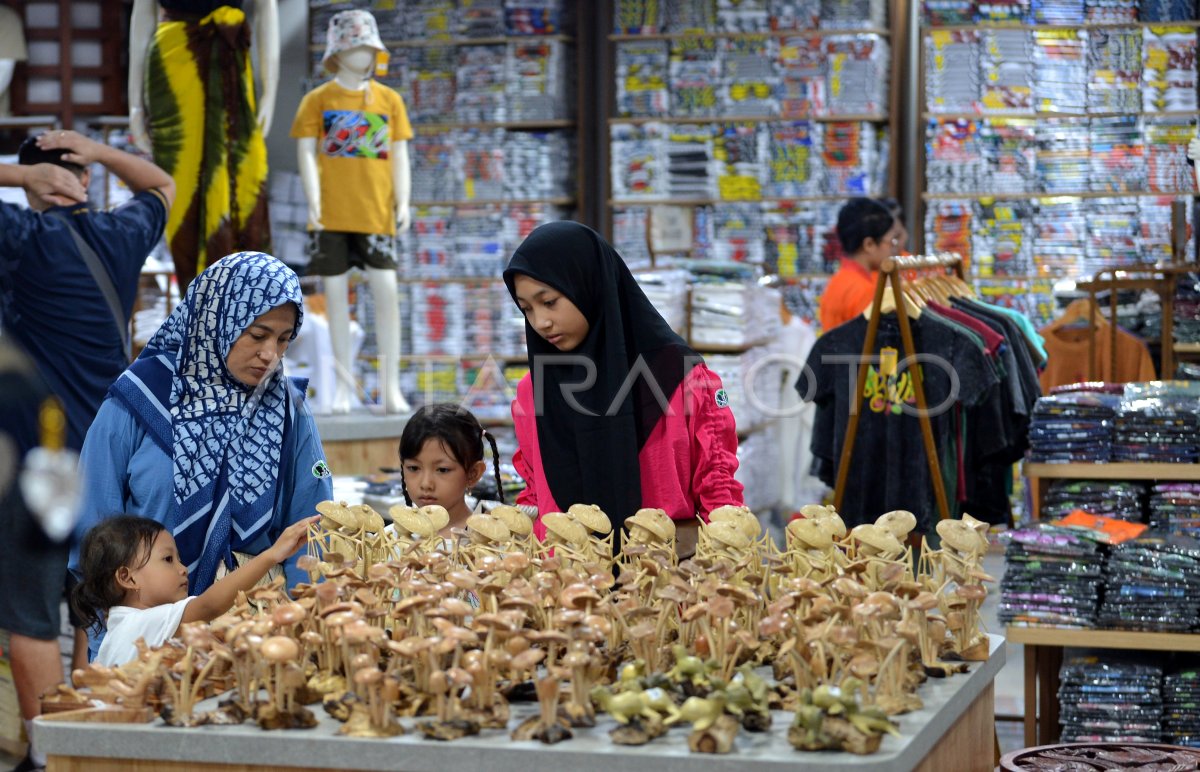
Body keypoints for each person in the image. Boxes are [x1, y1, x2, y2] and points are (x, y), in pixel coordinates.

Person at [0, 131, 172, 772]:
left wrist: (20, 181)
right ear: (84, 181)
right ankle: (90, 747)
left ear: (37, 182)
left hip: (41, 463)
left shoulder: (21, 238)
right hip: (110, 453)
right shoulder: (119, 235)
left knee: (31, 616)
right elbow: (161, 185)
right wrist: (99, 154)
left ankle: (52, 757)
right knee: (91, 605)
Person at [70, 252, 333, 646]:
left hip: (259, 624)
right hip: (152, 628)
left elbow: (312, 525)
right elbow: (92, 528)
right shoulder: (141, 398)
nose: (270, 355)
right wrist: (107, 637)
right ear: (216, 319)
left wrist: (302, 622)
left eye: (283, 339)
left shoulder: (287, 409)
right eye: (257, 335)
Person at [503, 221, 744, 555]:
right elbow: (534, 495)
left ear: (589, 285)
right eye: (526, 308)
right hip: (565, 589)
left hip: (663, 588)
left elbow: (720, 496)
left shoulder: (683, 380)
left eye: (550, 302)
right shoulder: (535, 390)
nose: (540, 322)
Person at [291, 8, 412, 414]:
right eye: (355, 46)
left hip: (377, 215)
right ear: (338, 52)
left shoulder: (389, 100)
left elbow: (400, 156)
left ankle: (391, 387)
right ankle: (342, 388)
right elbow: (305, 154)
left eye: (368, 47)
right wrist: (313, 200)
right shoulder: (318, 100)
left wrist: (404, 201)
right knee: (337, 303)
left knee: (388, 295)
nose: (363, 55)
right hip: (330, 217)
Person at [128, 0, 278, 288]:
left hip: (231, 59)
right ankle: (196, 302)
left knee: (245, 181)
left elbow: (267, 7)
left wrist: (270, 87)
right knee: (182, 190)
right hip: (174, 67)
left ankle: (244, 302)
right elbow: (142, 13)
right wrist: (135, 104)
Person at [72, 514, 316, 667]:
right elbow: (209, 606)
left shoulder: (122, 626)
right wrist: (272, 555)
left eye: (179, 559)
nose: (183, 569)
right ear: (127, 578)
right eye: (168, 559)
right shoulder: (144, 622)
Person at [398, 404, 505, 536]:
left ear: (473, 474)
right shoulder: (390, 538)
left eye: (442, 470)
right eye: (413, 468)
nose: (426, 484)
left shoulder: (490, 543)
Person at [817, 197, 902, 332]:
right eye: (892, 241)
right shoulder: (865, 291)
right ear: (869, 244)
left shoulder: (837, 282)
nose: (895, 250)